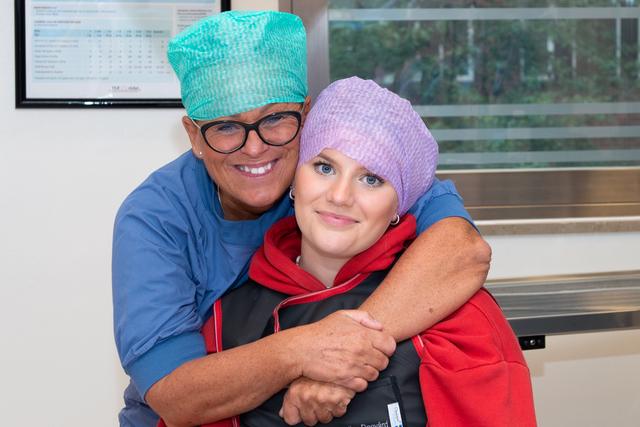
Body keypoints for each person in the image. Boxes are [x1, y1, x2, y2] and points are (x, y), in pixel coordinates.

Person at [112, 11, 491, 427]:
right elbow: (175, 397)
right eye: (225, 127)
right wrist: (308, 350)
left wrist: (345, 359)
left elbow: (462, 249)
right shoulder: (156, 219)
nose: (254, 148)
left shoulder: (327, 170)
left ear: (305, 116)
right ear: (194, 136)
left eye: (275, 119)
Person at [214, 77, 537, 427]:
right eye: (324, 167)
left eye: (371, 179)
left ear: (400, 204)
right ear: (294, 178)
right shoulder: (227, 315)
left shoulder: (458, 315)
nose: (340, 195)